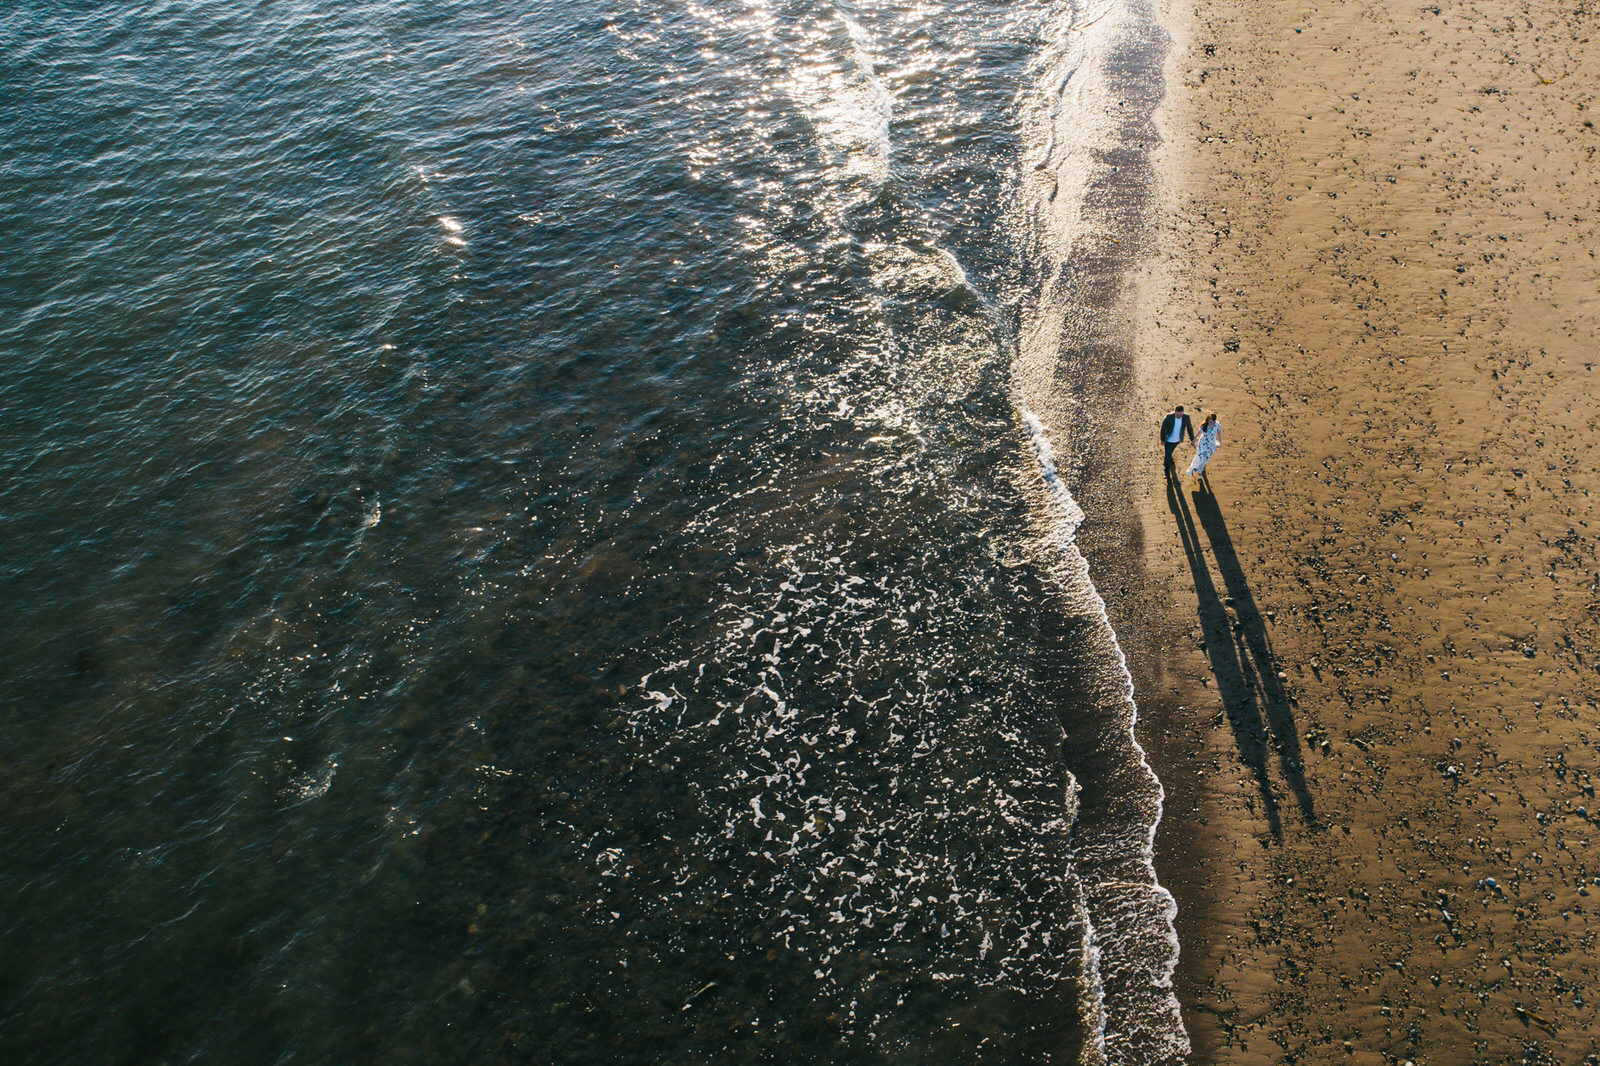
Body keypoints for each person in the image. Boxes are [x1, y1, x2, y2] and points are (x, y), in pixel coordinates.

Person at [1159, 405, 1195, 473]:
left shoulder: (1186, 417)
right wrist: (1162, 439)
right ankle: (1166, 470)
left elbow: (1189, 428)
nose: (1179, 416)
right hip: (1168, 440)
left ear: (1183, 413)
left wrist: (1192, 439)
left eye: (1180, 414)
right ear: (1174, 412)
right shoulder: (1168, 417)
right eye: (1177, 414)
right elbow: (1163, 428)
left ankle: (1170, 459)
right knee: (1167, 455)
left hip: (1177, 440)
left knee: (1170, 452)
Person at [1185, 413, 1221, 479]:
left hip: (1211, 444)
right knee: (1199, 458)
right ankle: (1200, 475)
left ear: (1214, 421)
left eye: (1211, 421)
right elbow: (1197, 434)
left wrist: (1219, 442)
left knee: (1206, 458)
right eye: (1209, 421)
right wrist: (1193, 441)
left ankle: (1202, 468)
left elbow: (1219, 434)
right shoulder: (1203, 426)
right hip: (1202, 444)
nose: (1209, 423)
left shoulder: (1217, 425)